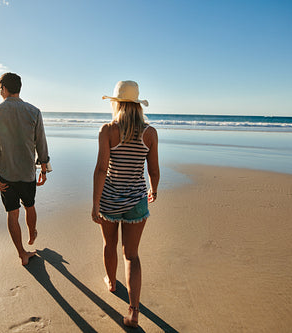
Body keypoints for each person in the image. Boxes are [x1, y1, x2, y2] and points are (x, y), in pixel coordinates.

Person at [92, 80, 160, 328]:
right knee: (131, 255)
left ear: (117, 104)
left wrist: (95, 203)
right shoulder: (149, 133)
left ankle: (111, 282)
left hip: (110, 198)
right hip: (137, 202)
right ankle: (133, 310)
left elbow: (101, 170)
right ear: (137, 105)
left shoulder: (108, 130)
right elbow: (153, 169)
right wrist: (154, 189)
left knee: (109, 244)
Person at [0, 72, 49, 266]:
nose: (0, 93)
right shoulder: (34, 111)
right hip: (27, 173)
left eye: (0, 89)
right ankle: (32, 233)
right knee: (29, 205)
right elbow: (41, 143)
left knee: (12, 213)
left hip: (5, 173)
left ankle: (22, 253)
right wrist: (44, 169)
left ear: (4, 88)